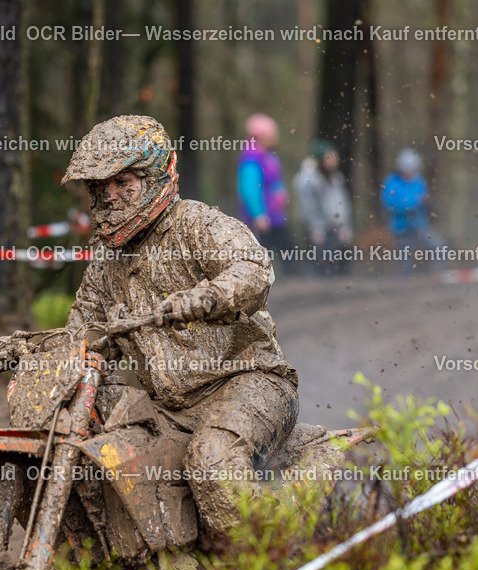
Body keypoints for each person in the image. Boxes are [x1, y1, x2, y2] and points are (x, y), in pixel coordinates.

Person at [61, 115, 299, 542]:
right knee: (104, 461)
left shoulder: (196, 224)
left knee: (212, 463)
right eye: (101, 187)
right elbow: (83, 328)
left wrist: (209, 296)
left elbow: (252, 267)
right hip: (168, 406)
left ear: (154, 177)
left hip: (247, 383)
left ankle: (272, 562)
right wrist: (39, 350)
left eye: (124, 182)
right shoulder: (106, 262)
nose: (111, 196)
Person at [236, 113, 295, 272]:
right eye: (273, 133)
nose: (276, 137)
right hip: (262, 219)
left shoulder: (269, 156)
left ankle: (294, 282)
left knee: (288, 251)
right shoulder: (251, 159)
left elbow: (275, 182)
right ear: (262, 136)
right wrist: (258, 214)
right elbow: (249, 189)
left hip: (276, 216)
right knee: (262, 256)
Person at [380, 148, 447, 275]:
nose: (410, 172)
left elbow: (424, 197)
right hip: (401, 228)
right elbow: (388, 204)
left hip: (419, 225)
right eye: (408, 168)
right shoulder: (392, 182)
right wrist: (413, 205)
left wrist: (428, 204)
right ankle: (404, 288)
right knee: (405, 260)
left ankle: (437, 276)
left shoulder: (418, 180)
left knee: (439, 246)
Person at [292, 140, 354, 276]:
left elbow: (342, 204)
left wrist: (344, 225)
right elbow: (308, 207)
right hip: (315, 230)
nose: (334, 160)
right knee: (316, 263)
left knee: (334, 264)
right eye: (329, 157)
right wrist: (315, 228)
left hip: (334, 229)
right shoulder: (308, 181)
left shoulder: (336, 178)